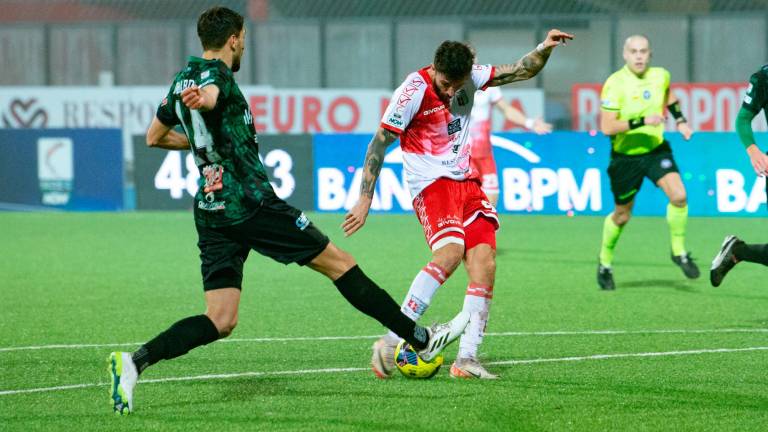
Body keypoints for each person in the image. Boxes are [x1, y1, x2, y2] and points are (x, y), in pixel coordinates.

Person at [107, 6, 469, 415]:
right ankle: (420, 339)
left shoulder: (179, 80)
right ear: (234, 38)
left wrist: (205, 138)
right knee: (340, 263)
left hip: (211, 210)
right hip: (251, 203)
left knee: (221, 319)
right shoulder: (217, 76)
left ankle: (134, 363)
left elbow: (155, 137)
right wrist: (205, 102)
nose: (244, 43)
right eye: (243, 37)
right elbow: (210, 94)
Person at [343, 30, 574, 379]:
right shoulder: (412, 92)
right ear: (435, 68)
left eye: (458, 84)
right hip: (431, 186)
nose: (452, 91)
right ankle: (391, 339)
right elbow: (378, 144)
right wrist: (364, 199)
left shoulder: (473, 77)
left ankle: (466, 359)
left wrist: (545, 48)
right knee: (449, 254)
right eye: (447, 83)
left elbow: (522, 70)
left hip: (468, 182)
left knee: (485, 263)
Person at [597, 35, 700, 291]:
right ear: (625, 54)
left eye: (643, 51)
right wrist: (643, 121)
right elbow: (607, 127)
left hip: (656, 151)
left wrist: (681, 120)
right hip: (625, 158)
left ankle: (678, 251)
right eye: (634, 51)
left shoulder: (660, 75)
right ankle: (605, 263)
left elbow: (668, 95)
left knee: (679, 196)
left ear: (650, 54)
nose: (639, 56)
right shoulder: (615, 83)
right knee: (622, 216)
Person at [467, 46, 552, 207]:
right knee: (463, 203)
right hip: (461, 156)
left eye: (474, 58)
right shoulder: (449, 85)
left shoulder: (486, 82)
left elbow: (506, 109)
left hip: (483, 153)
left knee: (490, 204)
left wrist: (530, 123)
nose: (473, 62)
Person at [710, 65, 768, 287]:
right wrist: (753, 151)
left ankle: (737, 251)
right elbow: (743, 119)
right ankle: (738, 251)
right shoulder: (764, 78)